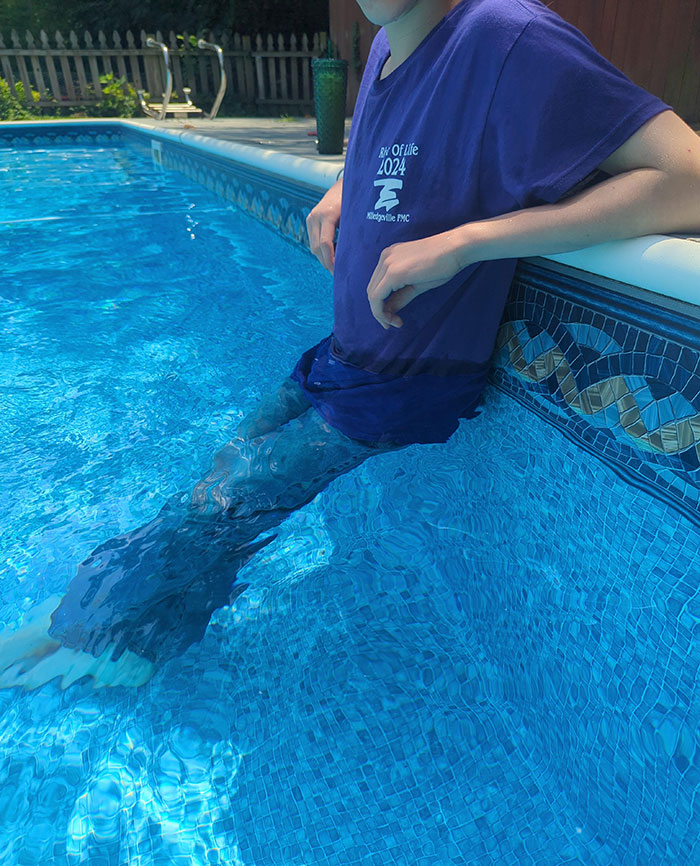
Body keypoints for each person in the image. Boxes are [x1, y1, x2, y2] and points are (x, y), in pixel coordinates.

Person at [2, 0, 700, 689]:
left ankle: (90, 632)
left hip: (407, 381)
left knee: (231, 499)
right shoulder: (387, 47)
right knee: (225, 473)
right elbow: (399, 152)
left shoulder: (506, 37)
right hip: (345, 357)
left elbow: (688, 176)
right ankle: (147, 636)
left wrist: (466, 244)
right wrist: (344, 186)